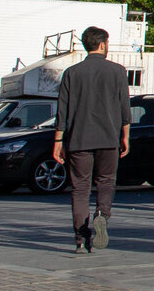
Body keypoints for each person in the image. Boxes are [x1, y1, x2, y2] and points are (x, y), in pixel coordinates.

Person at [52, 26, 131, 254]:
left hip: (79, 140)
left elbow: (63, 111)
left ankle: (80, 237)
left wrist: (58, 142)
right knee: (106, 181)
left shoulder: (72, 73)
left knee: (80, 188)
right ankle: (102, 215)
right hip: (108, 138)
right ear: (103, 44)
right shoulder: (117, 71)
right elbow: (124, 108)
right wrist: (125, 135)